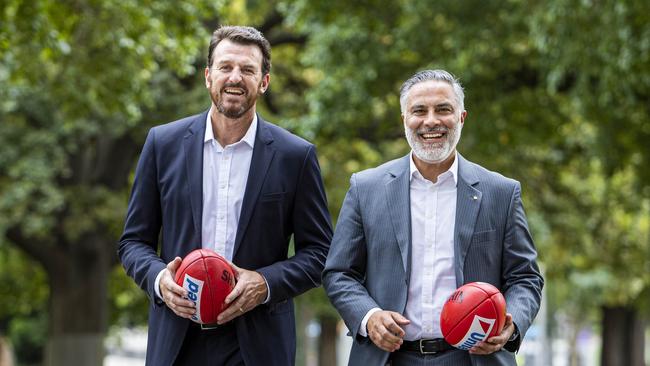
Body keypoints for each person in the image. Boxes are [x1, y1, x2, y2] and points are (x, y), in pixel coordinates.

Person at [119, 25, 332, 366]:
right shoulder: (162, 144)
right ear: (208, 76)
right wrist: (160, 281)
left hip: (258, 342)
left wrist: (265, 283)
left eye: (248, 69)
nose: (235, 77)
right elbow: (132, 242)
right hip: (177, 338)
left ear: (264, 82)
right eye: (225, 67)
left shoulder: (296, 156)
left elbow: (321, 253)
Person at [323, 69, 543, 366]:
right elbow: (339, 273)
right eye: (419, 111)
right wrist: (368, 315)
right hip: (388, 358)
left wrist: (511, 323)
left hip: (474, 359)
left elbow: (525, 277)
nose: (431, 121)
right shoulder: (365, 189)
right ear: (404, 120)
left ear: (461, 117)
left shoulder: (501, 192)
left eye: (443, 110)